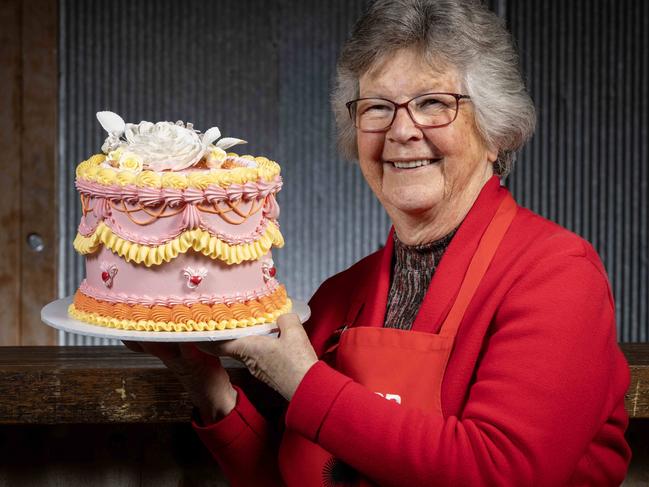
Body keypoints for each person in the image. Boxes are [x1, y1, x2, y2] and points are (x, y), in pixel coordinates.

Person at [125, 0, 631, 485]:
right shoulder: (341, 297)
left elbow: (501, 473)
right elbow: (291, 476)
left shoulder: (557, 275)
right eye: (377, 107)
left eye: (434, 103)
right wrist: (203, 379)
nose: (401, 130)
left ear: (496, 131)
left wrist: (304, 383)